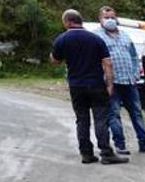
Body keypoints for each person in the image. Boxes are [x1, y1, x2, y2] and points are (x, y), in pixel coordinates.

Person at [50, 10, 127, 165]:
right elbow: (107, 63)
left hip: (76, 85)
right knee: (100, 119)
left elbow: (55, 60)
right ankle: (106, 153)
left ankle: (86, 154)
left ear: (67, 22)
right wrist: (110, 84)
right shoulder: (95, 39)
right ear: (80, 21)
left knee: (82, 119)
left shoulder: (62, 39)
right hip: (96, 84)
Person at [96, 6, 145, 155]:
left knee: (137, 113)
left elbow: (133, 56)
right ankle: (120, 145)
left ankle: (144, 143)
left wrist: (135, 74)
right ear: (100, 19)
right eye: (106, 18)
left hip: (129, 82)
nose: (110, 20)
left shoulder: (125, 35)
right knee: (113, 114)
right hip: (111, 82)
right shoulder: (97, 37)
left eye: (112, 17)